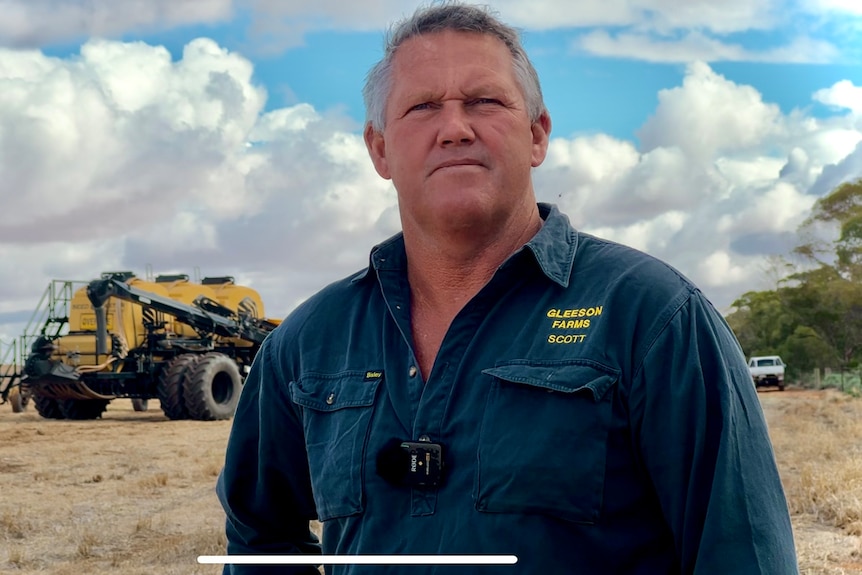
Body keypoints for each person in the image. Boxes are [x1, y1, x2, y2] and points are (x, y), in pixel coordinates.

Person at [216, 2, 799, 573]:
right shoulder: (309, 342)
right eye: (422, 107)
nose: (454, 128)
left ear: (537, 135)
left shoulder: (655, 319)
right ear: (380, 149)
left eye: (484, 101)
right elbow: (258, 540)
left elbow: (741, 551)